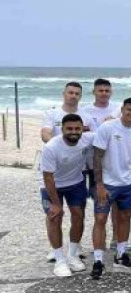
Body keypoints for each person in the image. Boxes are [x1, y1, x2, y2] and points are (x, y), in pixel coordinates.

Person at [90, 98, 131, 279]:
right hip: (107, 183)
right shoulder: (107, 127)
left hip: (127, 183)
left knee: (125, 217)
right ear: (122, 109)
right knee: (100, 219)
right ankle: (98, 260)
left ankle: (121, 255)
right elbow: (97, 157)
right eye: (129, 110)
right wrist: (99, 185)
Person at [40, 114, 93, 276]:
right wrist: (56, 204)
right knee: (55, 217)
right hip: (52, 184)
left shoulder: (88, 139)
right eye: (69, 128)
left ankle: (72, 255)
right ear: (62, 129)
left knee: (78, 215)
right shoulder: (51, 147)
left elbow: (110, 130)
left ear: (83, 128)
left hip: (76, 183)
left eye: (77, 128)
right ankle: (59, 260)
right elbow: (48, 177)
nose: (73, 131)